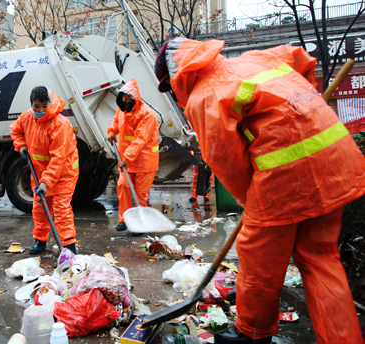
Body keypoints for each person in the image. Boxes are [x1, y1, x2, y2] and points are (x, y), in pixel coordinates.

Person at [154, 38, 365, 344]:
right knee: (320, 258)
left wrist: (249, 202)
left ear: (178, 76)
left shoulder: (205, 96)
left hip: (286, 174)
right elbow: (300, 58)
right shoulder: (256, 59)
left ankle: (251, 332)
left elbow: (228, 163)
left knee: (257, 257)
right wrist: (301, 109)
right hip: (336, 160)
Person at [10, 86, 79, 254]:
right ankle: (40, 241)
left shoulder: (60, 124)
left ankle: (69, 246)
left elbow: (58, 159)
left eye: (43, 106)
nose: (40, 110)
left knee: (61, 210)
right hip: (39, 172)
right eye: (36, 106)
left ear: (49, 103)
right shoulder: (27, 117)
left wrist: (46, 182)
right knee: (40, 208)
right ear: (31, 104)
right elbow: (15, 130)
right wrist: (21, 145)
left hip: (64, 173)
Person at [107, 78, 159, 235]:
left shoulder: (147, 115)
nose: (125, 99)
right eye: (123, 96)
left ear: (135, 97)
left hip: (144, 161)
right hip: (127, 161)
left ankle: (140, 223)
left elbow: (140, 139)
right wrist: (111, 131)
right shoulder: (122, 111)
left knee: (140, 194)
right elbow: (116, 122)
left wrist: (127, 157)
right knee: (123, 186)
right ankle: (124, 219)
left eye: (128, 97)